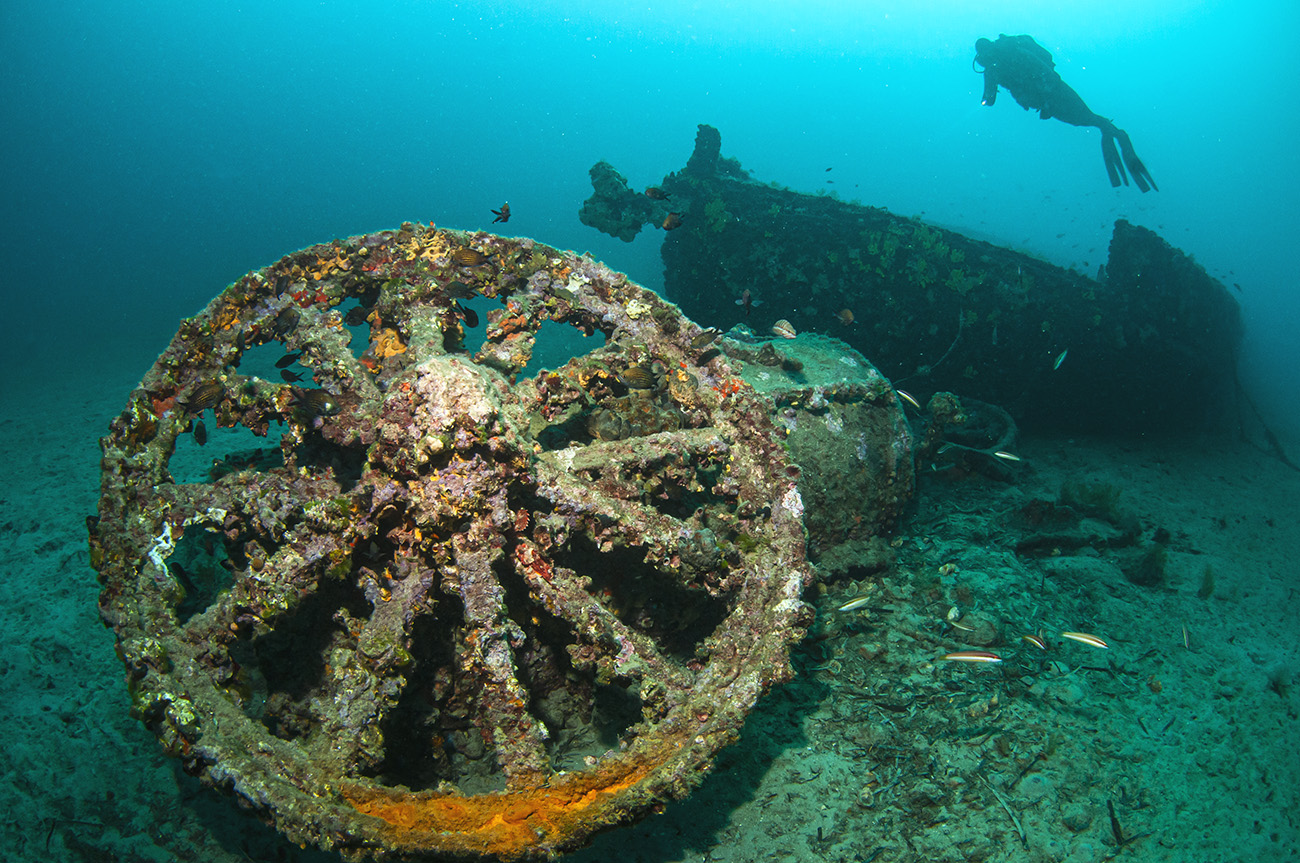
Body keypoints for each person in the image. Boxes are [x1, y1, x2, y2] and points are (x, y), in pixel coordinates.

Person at [974, 34, 1157, 192]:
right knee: (1087, 120)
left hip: (1055, 96)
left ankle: (1116, 136)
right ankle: (1115, 135)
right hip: (1052, 98)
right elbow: (990, 100)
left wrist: (1045, 103)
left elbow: (1042, 73)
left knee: (1086, 119)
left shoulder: (1010, 58)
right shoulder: (1000, 64)